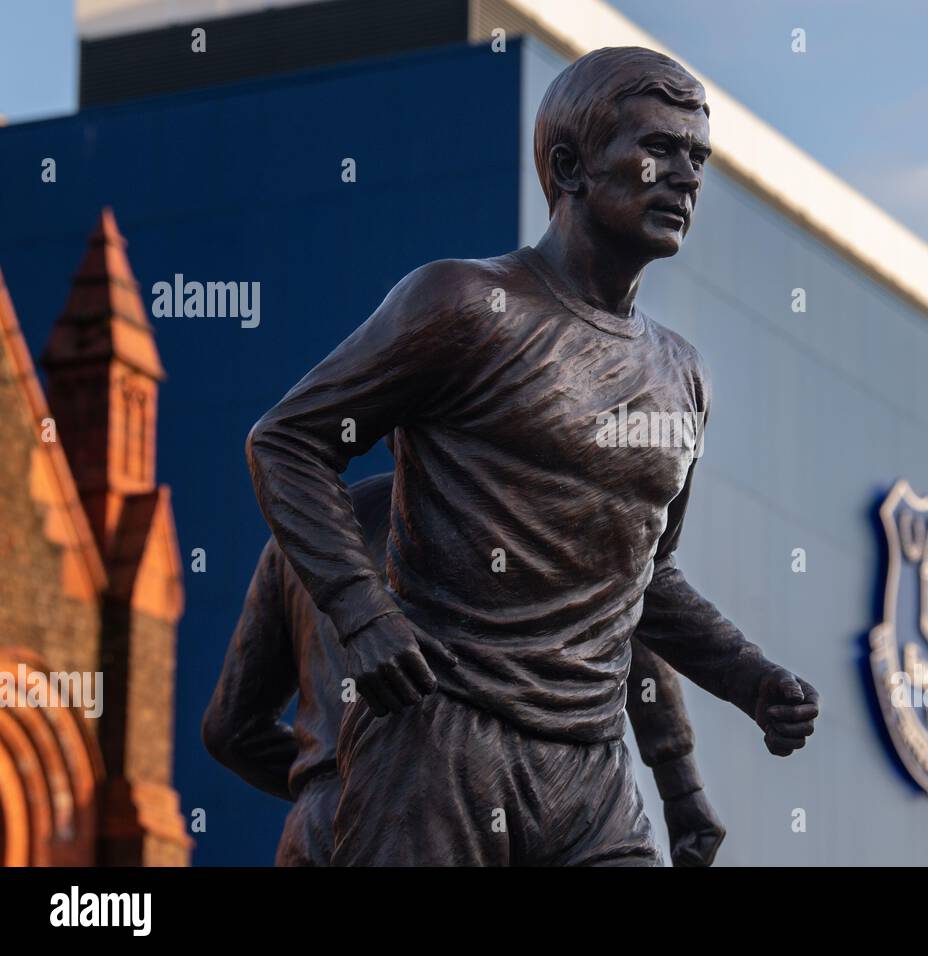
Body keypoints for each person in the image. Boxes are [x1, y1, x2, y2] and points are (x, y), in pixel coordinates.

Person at [246, 46, 819, 866]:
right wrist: (364, 614)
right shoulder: (462, 306)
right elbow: (288, 442)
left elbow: (646, 578)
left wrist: (750, 679)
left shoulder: (683, 375)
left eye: (699, 157)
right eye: (658, 148)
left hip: (589, 773)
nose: (686, 177)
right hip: (438, 746)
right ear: (570, 164)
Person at [204, 472, 727, 866]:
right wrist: (682, 788)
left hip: (319, 831)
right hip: (466, 808)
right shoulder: (523, 521)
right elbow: (628, 621)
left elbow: (230, 731)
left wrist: (335, 783)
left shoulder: (303, 541)